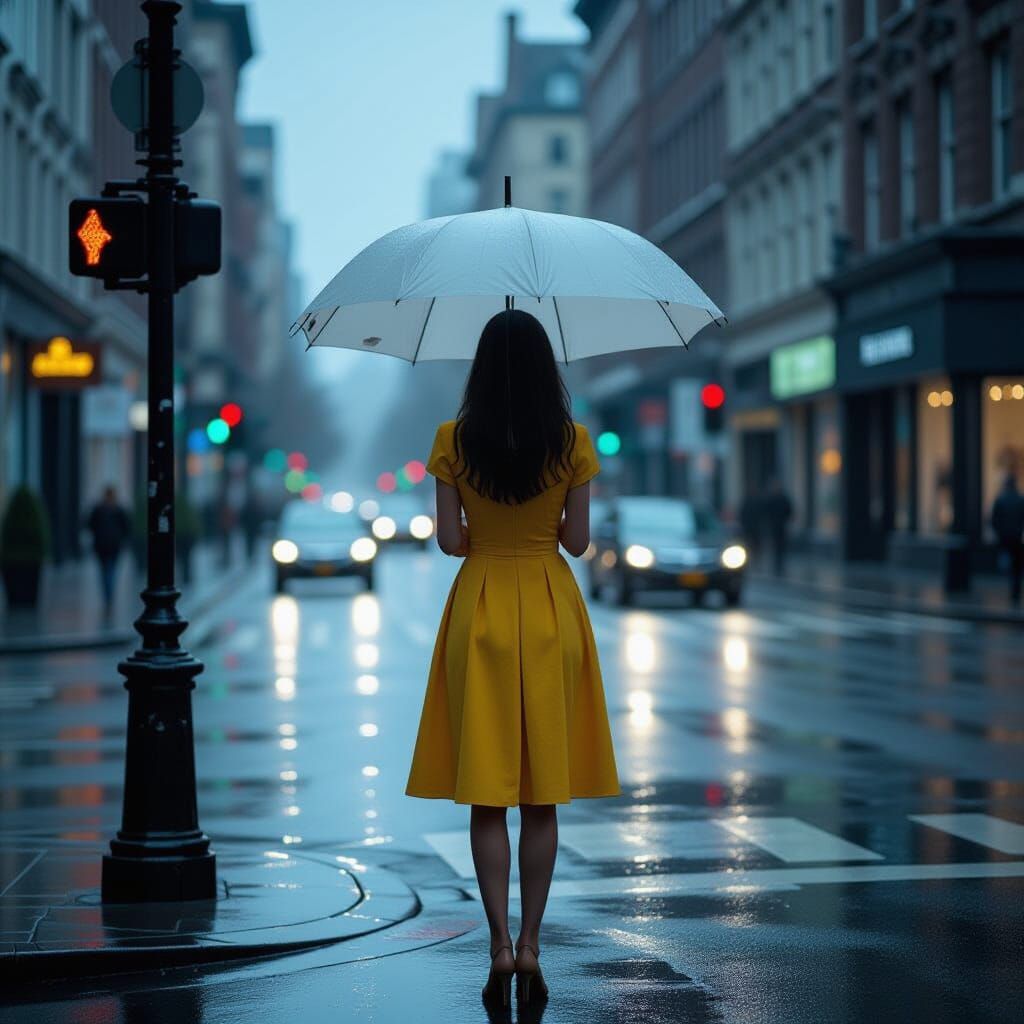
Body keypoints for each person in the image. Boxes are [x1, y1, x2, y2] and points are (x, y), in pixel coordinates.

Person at [404, 309, 620, 1007]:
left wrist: (482, 520)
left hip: (482, 611)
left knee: (488, 793)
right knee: (542, 796)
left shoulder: (452, 441)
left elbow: (448, 542)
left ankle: (496, 944)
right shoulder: (572, 442)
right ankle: (532, 944)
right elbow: (579, 542)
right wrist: (545, 518)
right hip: (551, 612)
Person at [85, 485, 131, 618]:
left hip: (103, 546)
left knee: (105, 571)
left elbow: (89, 525)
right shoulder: (118, 510)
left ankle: (107, 596)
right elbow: (127, 527)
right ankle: (109, 596)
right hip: (112, 546)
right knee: (110, 571)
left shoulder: (99, 509)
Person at [991, 473, 1024, 606]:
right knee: (1017, 567)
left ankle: (1012, 591)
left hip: (1005, 538)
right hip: (1017, 537)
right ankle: (1015, 592)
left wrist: (999, 533)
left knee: (1008, 564)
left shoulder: (1001, 499)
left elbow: (994, 520)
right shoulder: (1020, 499)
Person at [763, 477, 793, 576]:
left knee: (782, 546)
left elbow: (789, 510)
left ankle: (781, 564)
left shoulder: (783, 498)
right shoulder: (771, 499)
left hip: (781, 526)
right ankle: (776, 564)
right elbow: (766, 512)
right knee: (776, 545)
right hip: (774, 526)